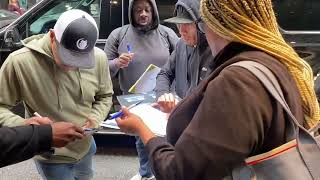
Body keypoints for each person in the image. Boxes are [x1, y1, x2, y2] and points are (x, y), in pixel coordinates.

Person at [115, 0, 320, 179]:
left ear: (215, 25)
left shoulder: (237, 82)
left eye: (202, 24)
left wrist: (142, 129)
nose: (183, 32)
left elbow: (179, 172)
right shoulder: (274, 61)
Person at [0, 9, 113, 180]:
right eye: (68, 56)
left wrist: (95, 118)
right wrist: (26, 125)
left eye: (81, 59)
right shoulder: (20, 62)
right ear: (53, 36)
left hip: (86, 148)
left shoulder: (99, 58)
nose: (72, 66)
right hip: (51, 157)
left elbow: (105, 96)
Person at [104, 0, 178, 179]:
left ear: (153, 11)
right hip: (134, 98)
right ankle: (145, 172)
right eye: (138, 10)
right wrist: (116, 63)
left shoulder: (167, 33)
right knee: (141, 138)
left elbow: (183, 59)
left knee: (167, 134)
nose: (143, 14)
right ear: (131, 13)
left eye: (147, 10)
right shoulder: (119, 34)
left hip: (164, 95)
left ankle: (164, 172)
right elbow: (103, 67)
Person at [154, 0, 213, 113]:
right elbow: (164, 73)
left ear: (201, 25)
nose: (181, 31)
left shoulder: (214, 51)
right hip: (179, 114)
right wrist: (163, 96)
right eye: (179, 24)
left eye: (187, 24)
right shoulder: (181, 44)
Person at [0, 122, 85, 168]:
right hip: (54, 159)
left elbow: (98, 100)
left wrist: (94, 118)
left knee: (85, 175)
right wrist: (44, 133)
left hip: (85, 150)